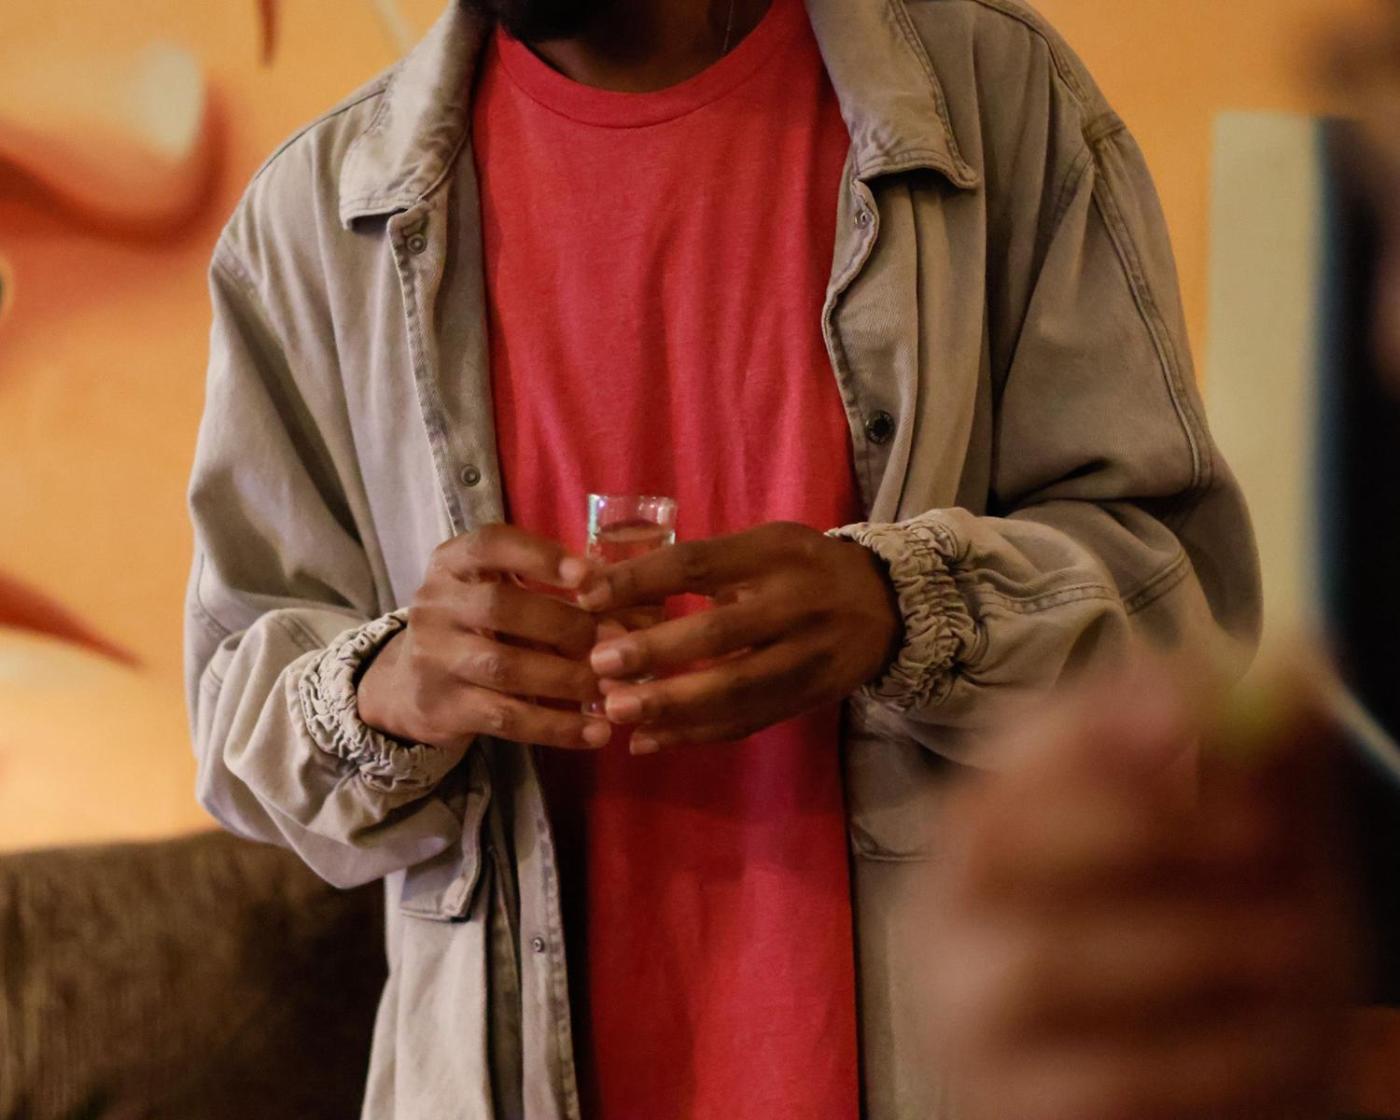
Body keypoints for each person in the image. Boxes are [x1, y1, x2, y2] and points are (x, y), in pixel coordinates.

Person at [184, 0, 1259, 1116]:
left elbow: (1184, 620)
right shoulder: (311, 222)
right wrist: (388, 686)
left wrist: (907, 607)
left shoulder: (999, 102)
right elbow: (232, 713)